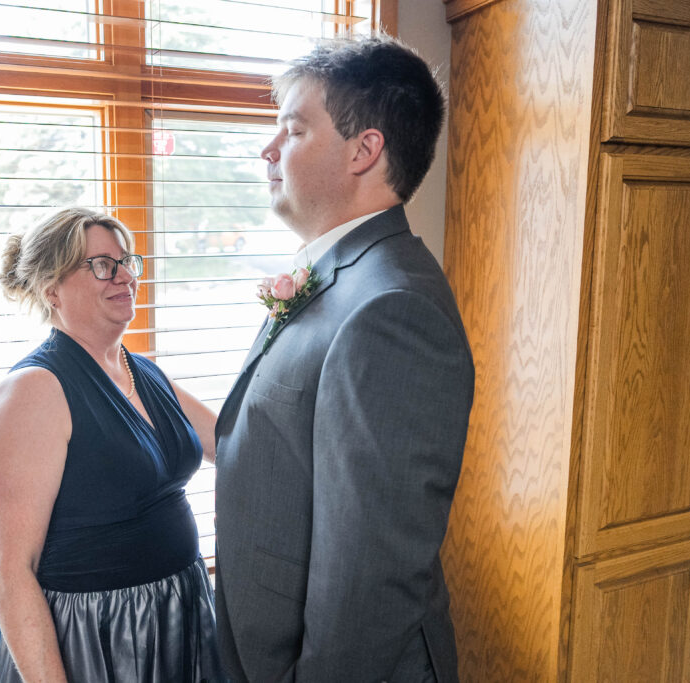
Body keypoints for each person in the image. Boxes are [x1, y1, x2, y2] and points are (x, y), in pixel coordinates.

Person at [213, 35, 475, 683]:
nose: (268, 150)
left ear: (365, 149)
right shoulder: (341, 277)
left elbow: (369, 575)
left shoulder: (390, 308)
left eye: (293, 130)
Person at [0, 207, 222, 683]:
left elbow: (237, 444)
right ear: (52, 290)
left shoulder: (142, 371)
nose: (124, 276)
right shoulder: (35, 389)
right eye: (101, 264)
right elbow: (9, 570)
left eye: (126, 261)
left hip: (178, 612)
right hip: (97, 634)